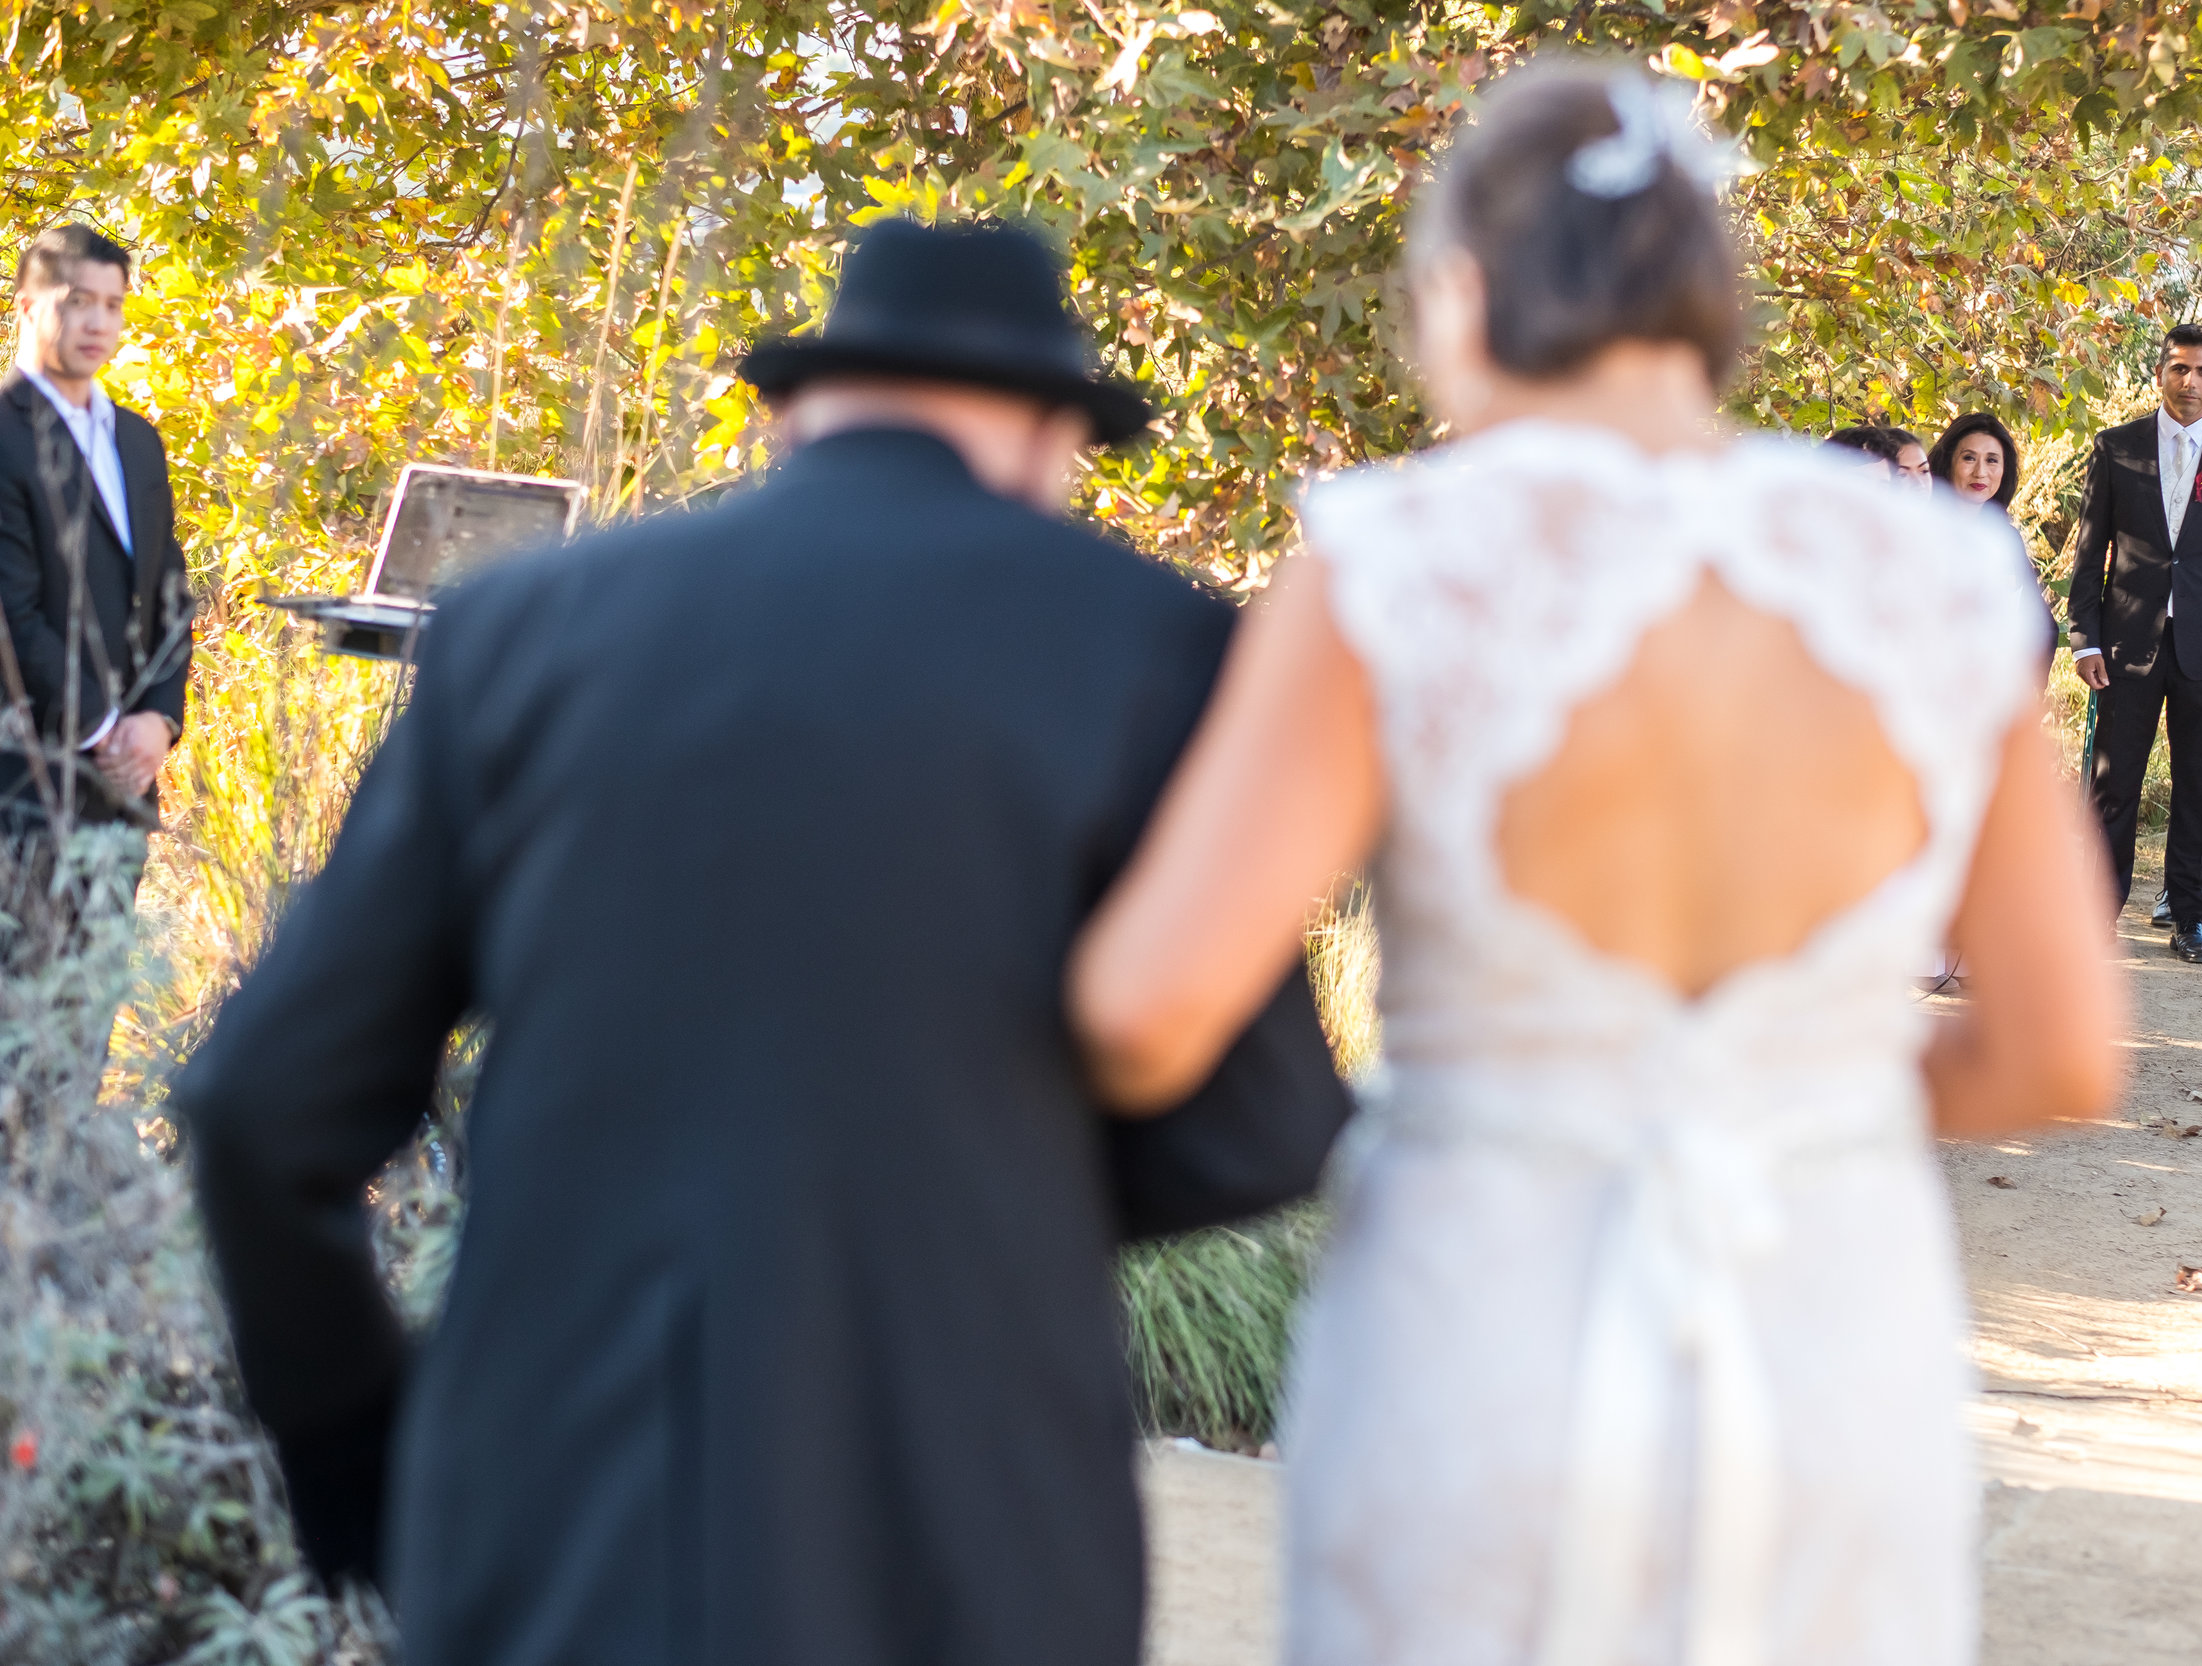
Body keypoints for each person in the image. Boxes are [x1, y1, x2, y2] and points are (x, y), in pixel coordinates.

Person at [175, 218, 1351, 1666]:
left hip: (559, 1521)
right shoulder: (1153, 643)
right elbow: (1265, 1126)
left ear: (796, 413)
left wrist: (367, 1470)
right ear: (1054, 439)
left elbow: (259, 1106)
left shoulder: (524, 631)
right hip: (972, 1543)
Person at [1067, 62, 2123, 1666]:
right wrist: (1783, 1096)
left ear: (1462, 289)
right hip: (1829, 1309)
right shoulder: (1934, 576)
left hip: (1481, 1303)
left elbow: (1152, 1007)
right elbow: (2062, 1047)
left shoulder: (1397, 560)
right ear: (1709, 294)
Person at [2067, 323, 2202, 963]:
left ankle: (2190, 916)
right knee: (2112, 784)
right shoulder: (2116, 446)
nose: (2191, 382)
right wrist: (2084, 638)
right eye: (2180, 368)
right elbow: (2090, 551)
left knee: (2198, 786)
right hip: (2127, 646)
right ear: (2160, 372)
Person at [0, 224, 192, 832]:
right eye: (77, 301)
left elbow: (170, 591)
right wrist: (107, 730)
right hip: (20, 783)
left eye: (113, 305)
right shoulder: (4, 434)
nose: (98, 323)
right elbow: (11, 614)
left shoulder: (137, 439)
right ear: (27, 306)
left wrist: (158, 723)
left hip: (122, 793)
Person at [1930, 411, 2018, 513]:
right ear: (1947, 463)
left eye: (1991, 460)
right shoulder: (1916, 525)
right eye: (1969, 458)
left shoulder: (2003, 529)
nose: (1980, 473)